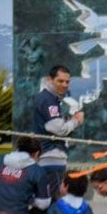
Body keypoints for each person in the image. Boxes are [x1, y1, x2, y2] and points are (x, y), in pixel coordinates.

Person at [32, 65, 84, 199]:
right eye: (60, 81)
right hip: (51, 158)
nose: (65, 85)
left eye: (67, 82)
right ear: (50, 80)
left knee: (47, 199)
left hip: (48, 157)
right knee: (52, 201)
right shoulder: (49, 100)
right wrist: (76, 120)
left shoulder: (49, 99)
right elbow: (58, 129)